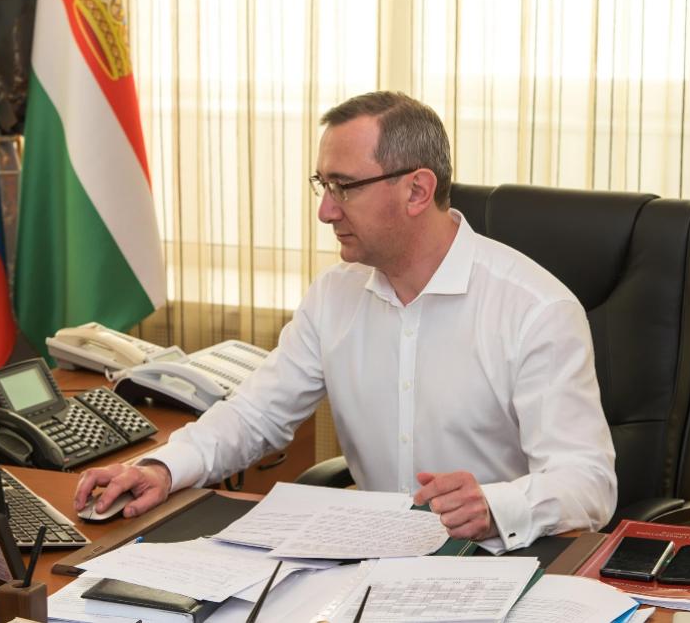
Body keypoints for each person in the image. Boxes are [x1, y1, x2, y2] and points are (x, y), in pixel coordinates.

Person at [74, 91, 617, 552]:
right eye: (323, 185)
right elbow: (254, 415)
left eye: (345, 187)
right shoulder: (335, 295)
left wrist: (494, 506)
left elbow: (588, 484)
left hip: (498, 564)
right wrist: (162, 468)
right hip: (368, 561)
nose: (325, 211)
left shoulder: (535, 309)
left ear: (417, 190)